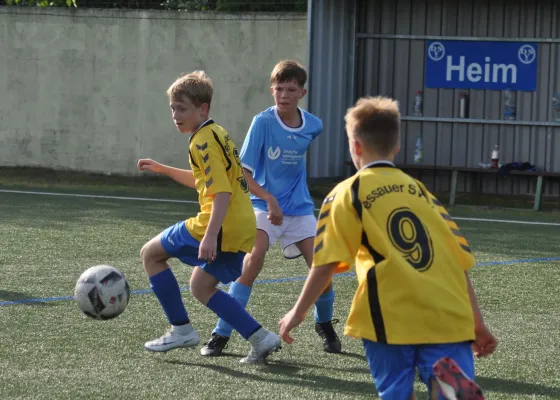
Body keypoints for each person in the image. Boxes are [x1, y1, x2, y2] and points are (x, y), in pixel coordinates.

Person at [278, 96, 498, 399]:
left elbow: (326, 263)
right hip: (448, 313)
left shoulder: (347, 192)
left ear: (355, 146)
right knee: (447, 383)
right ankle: (448, 386)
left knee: (395, 390)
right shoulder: (423, 193)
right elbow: (458, 260)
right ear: (396, 147)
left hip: (389, 314)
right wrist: (477, 322)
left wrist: (297, 312)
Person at [199, 60, 342, 357]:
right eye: (279, 89)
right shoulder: (262, 122)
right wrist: (271, 200)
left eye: (291, 89)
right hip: (263, 206)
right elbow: (243, 173)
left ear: (302, 92)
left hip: (300, 210)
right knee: (254, 259)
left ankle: (324, 324)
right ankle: (221, 333)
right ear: (271, 90)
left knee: (322, 268)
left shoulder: (314, 125)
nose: (284, 95)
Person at [137, 70, 281, 364]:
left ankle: (181, 329)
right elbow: (209, 181)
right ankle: (261, 337)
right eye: (173, 108)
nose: (176, 115)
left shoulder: (201, 141)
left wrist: (211, 234)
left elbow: (222, 193)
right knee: (201, 287)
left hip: (220, 223)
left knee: (150, 254)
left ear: (203, 108)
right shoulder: (217, 132)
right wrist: (164, 169)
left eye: (182, 108)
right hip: (242, 224)